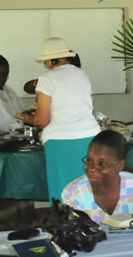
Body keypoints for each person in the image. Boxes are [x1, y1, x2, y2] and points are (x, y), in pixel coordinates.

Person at [22, 37, 100, 202]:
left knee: (63, 190)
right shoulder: (83, 74)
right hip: (89, 137)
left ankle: (63, 224)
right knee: (87, 188)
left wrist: (26, 118)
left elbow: (42, 121)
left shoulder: (46, 78)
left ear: (51, 60)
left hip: (60, 140)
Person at [61, 131, 133, 223]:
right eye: (89, 160)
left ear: (120, 165)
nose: (93, 168)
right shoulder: (74, 194)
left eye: (102, 164)